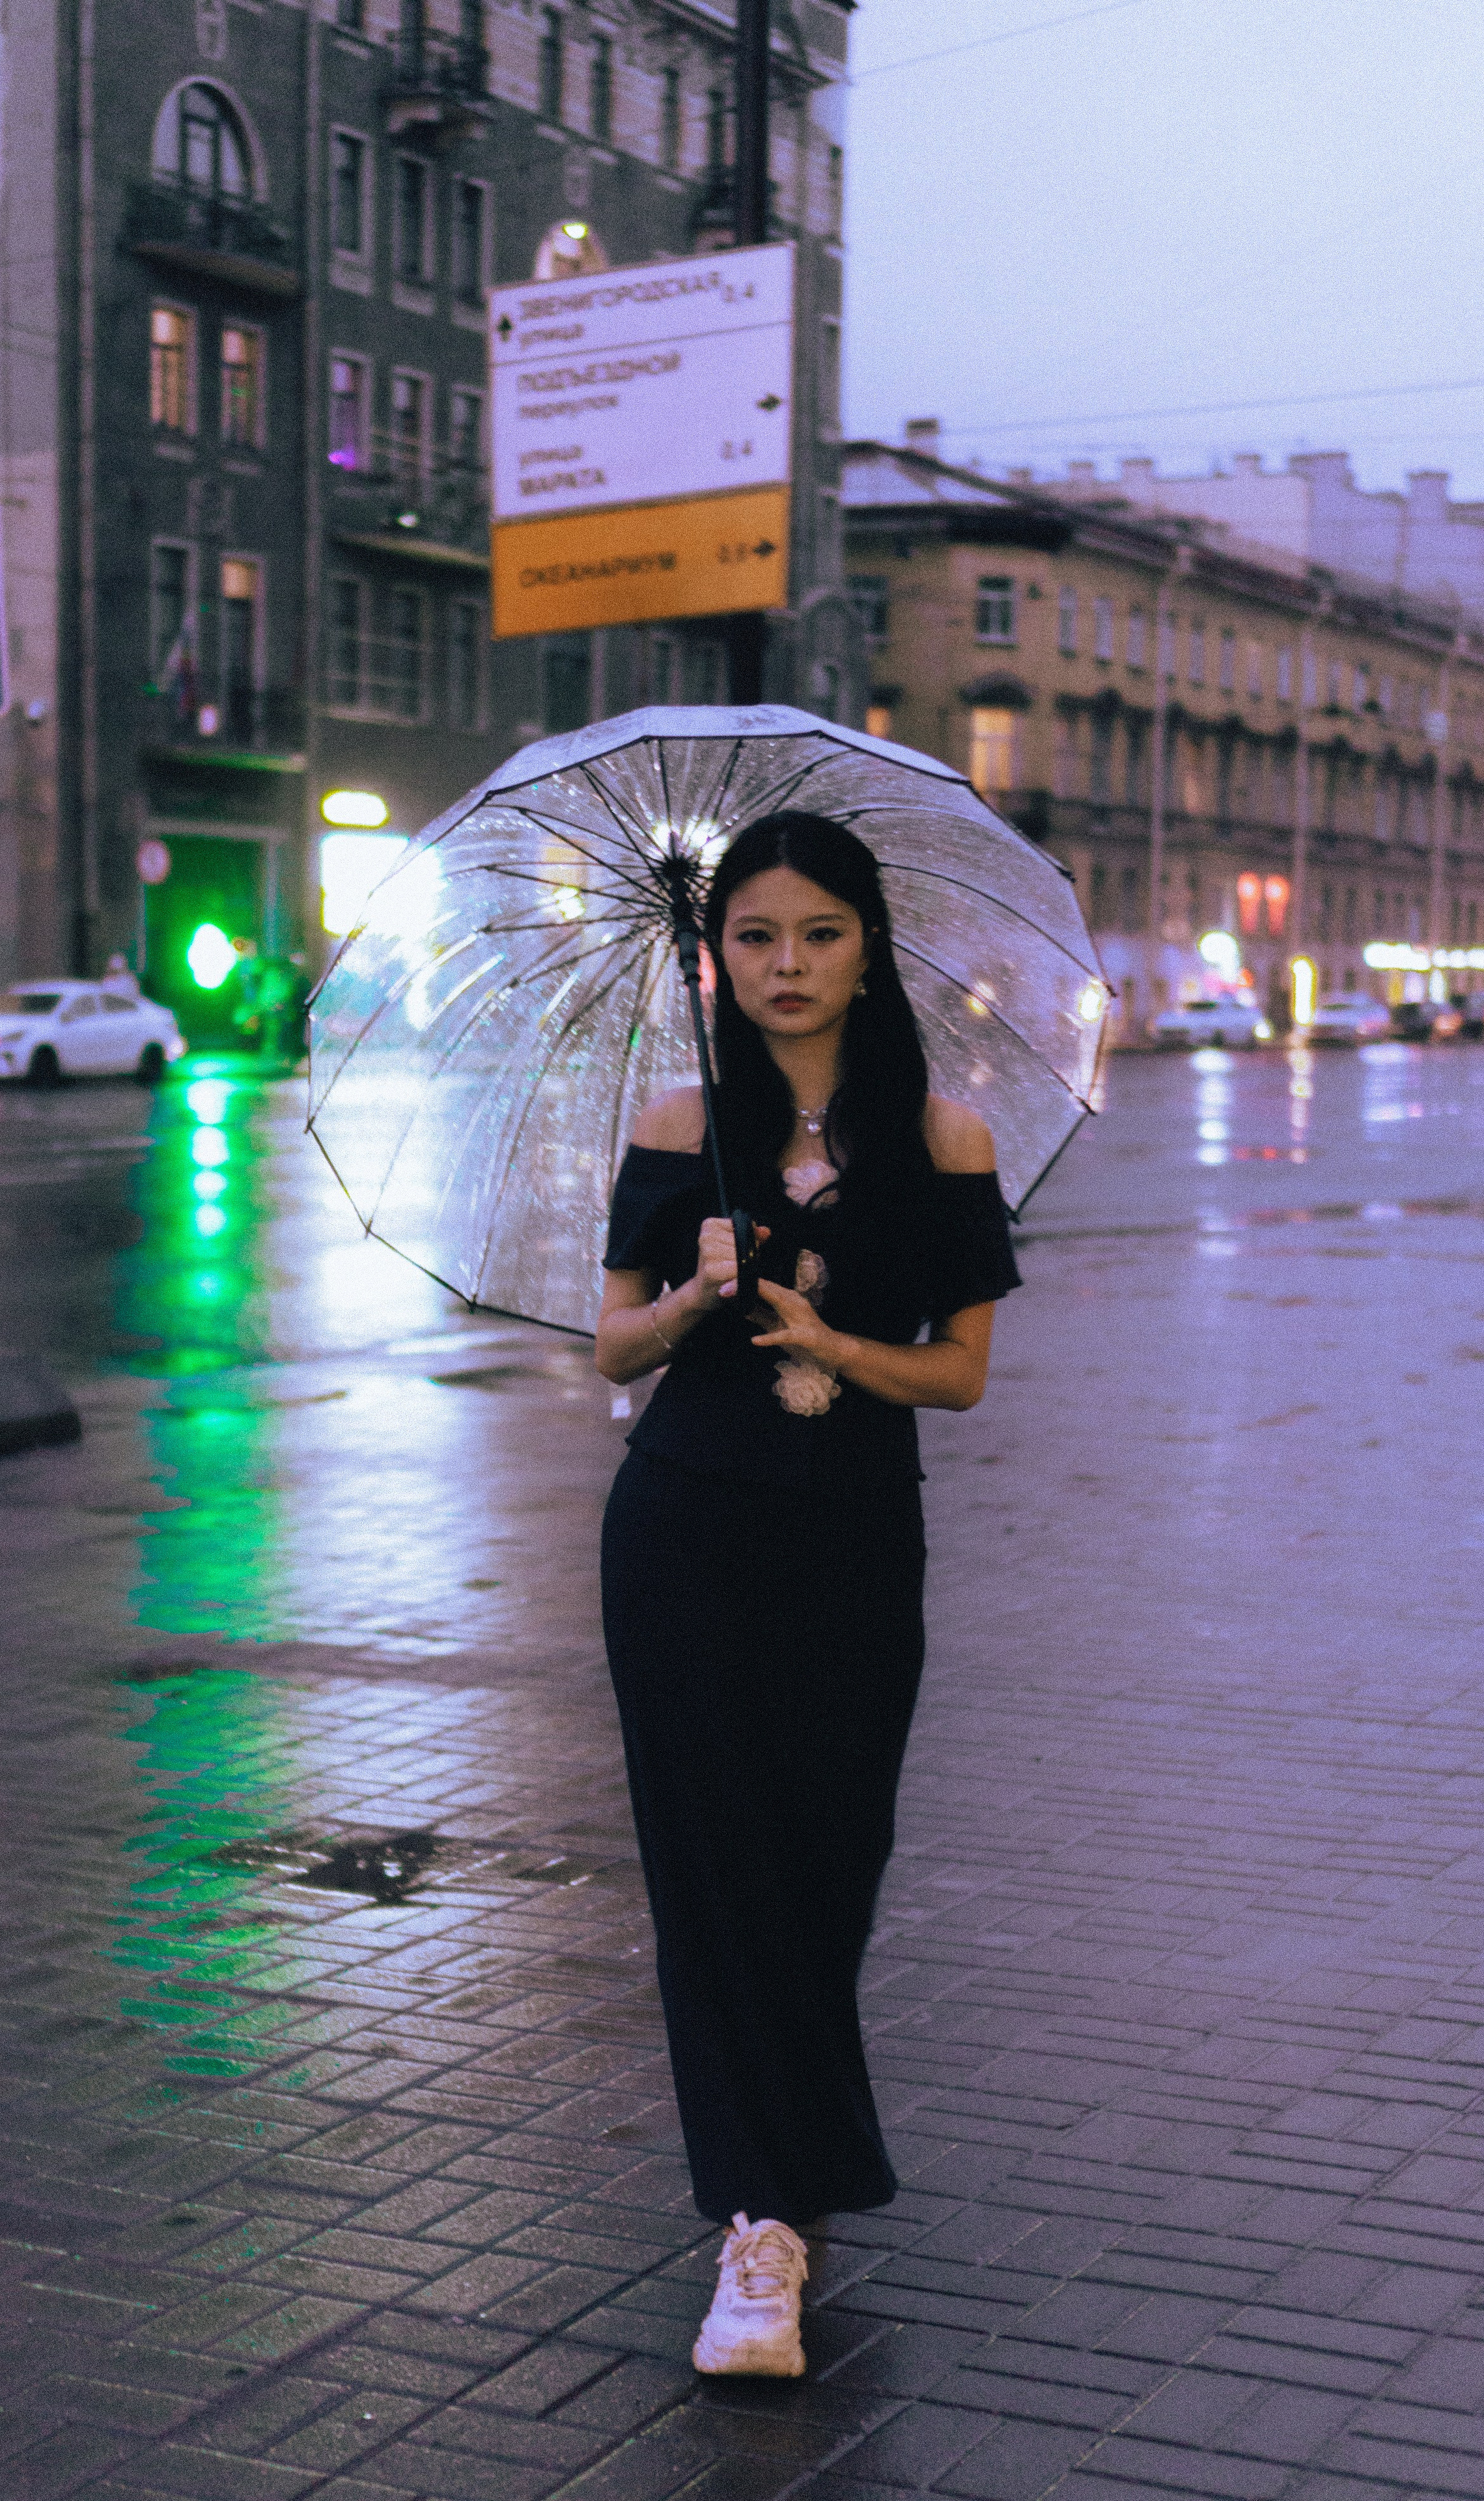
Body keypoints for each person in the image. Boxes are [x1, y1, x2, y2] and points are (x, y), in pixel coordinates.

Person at [595, 812, 1021, 2380]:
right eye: (755, 937)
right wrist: (696, 1295)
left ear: (867, 947)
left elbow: (959, 1376)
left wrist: (835, 1346)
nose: (786, 965)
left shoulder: (943, 1141)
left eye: (818, 934)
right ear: (717, 956)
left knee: (825, 1860)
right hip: (683, 1529)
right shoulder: (675, 1126)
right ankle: (759, 2230)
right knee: (711, 1871)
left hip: (848, 1536)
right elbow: (609, 1347)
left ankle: (795, 2178)